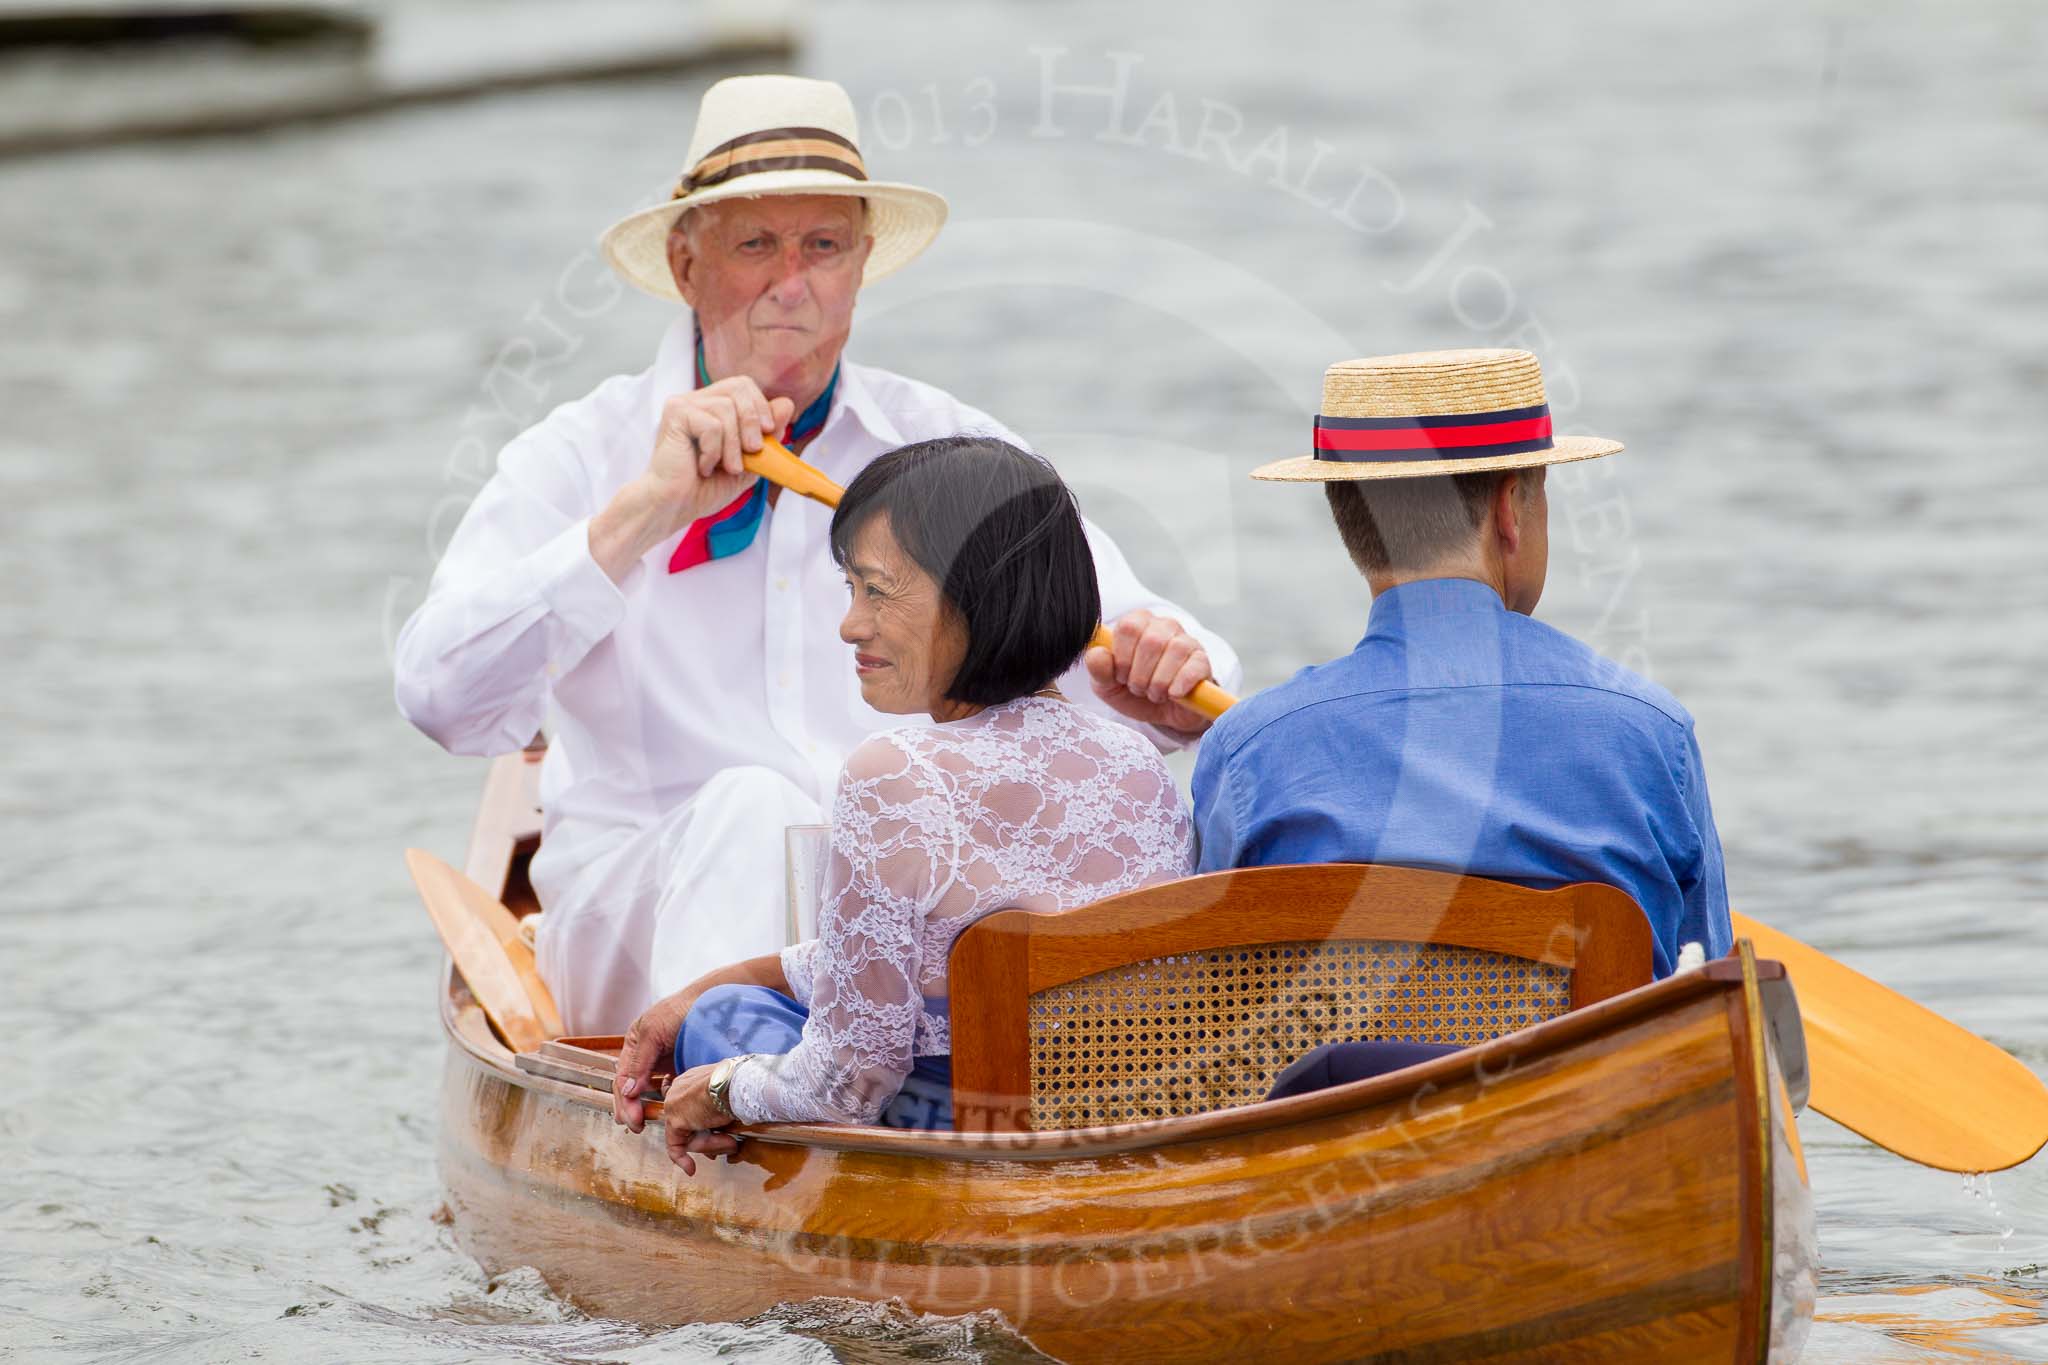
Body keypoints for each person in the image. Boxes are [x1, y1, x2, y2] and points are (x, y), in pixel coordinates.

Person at [393, 76, 1238, 1034]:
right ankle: (731, 1093)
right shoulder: (583, 452)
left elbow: (1166, 658)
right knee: (753, 810)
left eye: (823, 246)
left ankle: (869, 1101)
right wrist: (645, 511)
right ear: (685, 263)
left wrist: (1161, 672)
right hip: (636, 916)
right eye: (756, 244)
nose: (791, 282)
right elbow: (441, 699)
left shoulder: (947, 445)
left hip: (893, 923)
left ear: (862, 263)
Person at [610, 437, 1195, 1167]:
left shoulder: (893, 771)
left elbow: (850, 1081)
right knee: (718, 996)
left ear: (974, 595)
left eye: (877, 590)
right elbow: (926, 951)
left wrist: (721, 1085)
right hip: (1115, 1124)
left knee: (722, 1020)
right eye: (851, 590)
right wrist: (714, 977)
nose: (851, 624)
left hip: (955, 1137)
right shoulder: (1139, 761)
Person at [1192, 348, 1734, 1094]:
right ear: (1512, 510)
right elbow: (1706, 998)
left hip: (1340, 1169)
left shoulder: (1248, 752)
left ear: (1352, 528)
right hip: (1595, 1141)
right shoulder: (1648, 732)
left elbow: (1213, 1019)